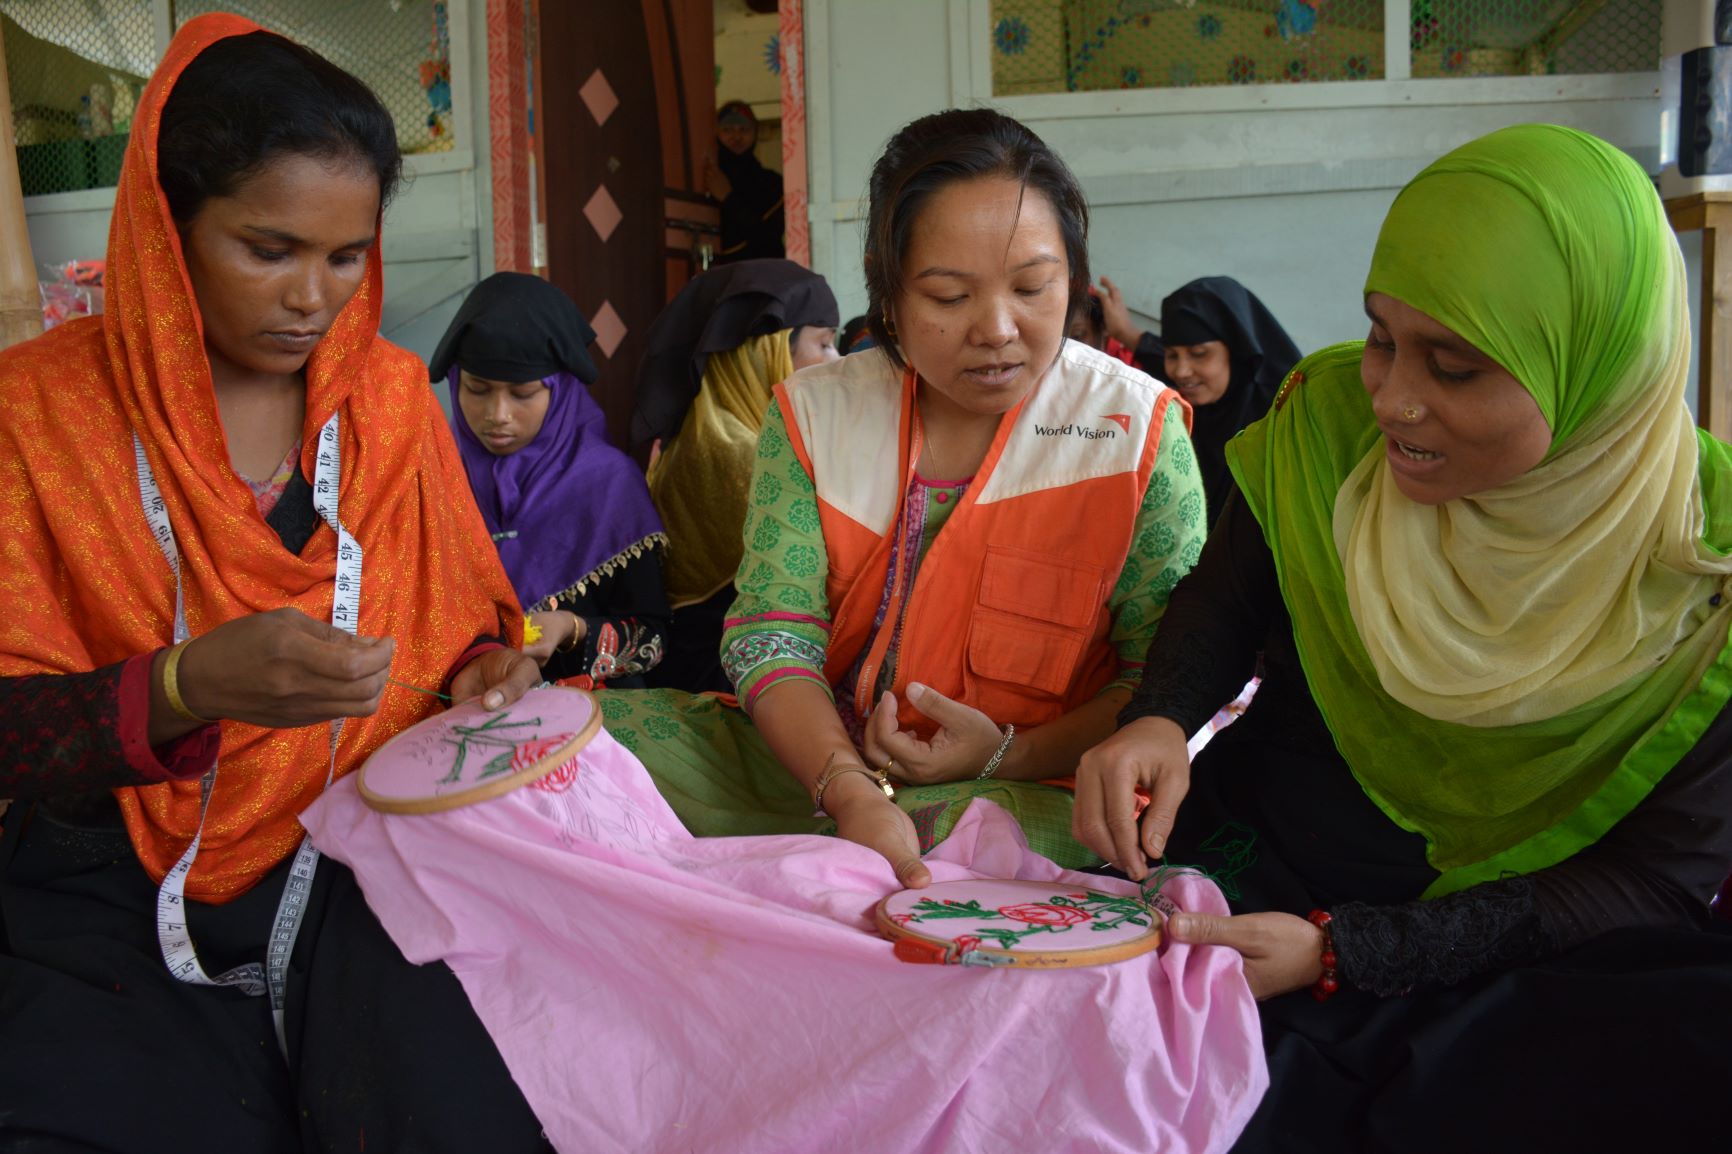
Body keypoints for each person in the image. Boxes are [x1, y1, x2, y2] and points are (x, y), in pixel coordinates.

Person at [1073, 125, 1732, 1149]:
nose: (1390, 396)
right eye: (1381, 335)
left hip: (1525, 944)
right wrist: (1160, 714)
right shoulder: (1324, 420)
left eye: (1456, 365)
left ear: (1596, 368)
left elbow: (1653, 879)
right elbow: (1231, 594)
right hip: (1266, 864)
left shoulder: (1712, 575)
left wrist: (1356, 950)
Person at [0, 18, 550, 1151]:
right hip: (106, 875)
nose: (314, 297)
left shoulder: (392, 403)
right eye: (268, 249)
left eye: (346, 258)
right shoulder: (36, 415)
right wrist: (185, 687)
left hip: (356, 853)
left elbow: (454, 634)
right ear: (167, 227)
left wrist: (480, 674)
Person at [603, 108, 1209, 881]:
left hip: (1029, 791)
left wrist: (1006, 753)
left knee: (970, 840)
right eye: (950, 297)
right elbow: (773, 636)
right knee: (564, 739)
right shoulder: (813, 414)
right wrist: (849, 789)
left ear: (1075, 282)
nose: (997, 328)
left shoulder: (1137, 433)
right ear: (888, 296)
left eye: (1032, 287)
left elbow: (1161, 681)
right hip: (816, 770)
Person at [434, 272, 670, 688]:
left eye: (522, 394)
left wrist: (572, 628)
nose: (497, 413)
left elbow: (654, 639)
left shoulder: (608, 485)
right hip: (462, 714)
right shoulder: (433, 476)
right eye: (477, 389)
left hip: (592, 724)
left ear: (560, 391)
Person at [632, 258, 839, 693]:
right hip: (727, 684)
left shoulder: (709, 431)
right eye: (823, 345)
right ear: (767, 353)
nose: (835, 361)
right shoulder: (738, 452)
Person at [1157, 277, 1300, 529]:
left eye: (1199, 354)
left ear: (1236, 349)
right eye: (1171, 355)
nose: (1181, 371)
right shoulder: (1186, 407)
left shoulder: (1282, 414)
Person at [703, 99, 785, 263]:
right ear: (716, 134)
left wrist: (728, 198)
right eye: (727, 130)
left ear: (755, 133)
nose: (736, 136)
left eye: (744, 130)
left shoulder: (772, 184)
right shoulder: (705, 178)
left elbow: (769, 242)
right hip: (714, 277)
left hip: (758, 275)